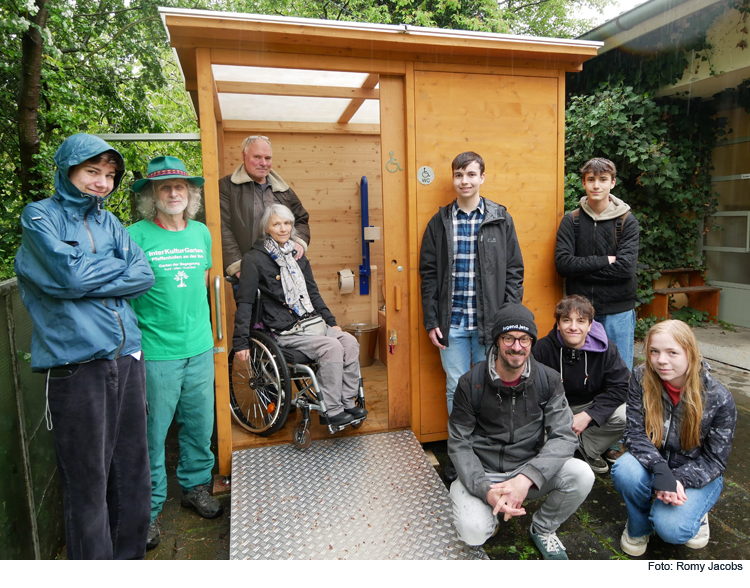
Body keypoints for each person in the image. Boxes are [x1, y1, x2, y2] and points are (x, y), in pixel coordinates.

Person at [13, 134, 155, 559]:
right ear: (67, 170)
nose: (102, 183)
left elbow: (144, 274)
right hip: (77, 365)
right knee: (88, 484)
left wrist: (82, 277)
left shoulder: (110, 223)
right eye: (92, 171)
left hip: (127, 357)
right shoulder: (40, 217)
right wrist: (110, 270)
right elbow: (68, 277)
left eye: (109, 175)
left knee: (133, 472)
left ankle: (130, 560)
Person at [128, 156, 223, 551]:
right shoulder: (134, 235)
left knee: (200, 426)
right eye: (164, 187)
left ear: (190, 194)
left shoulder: (201, 233)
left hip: (199, 347)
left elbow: (202, 283)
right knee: (151, 435)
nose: (173, 193)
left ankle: (196, 487)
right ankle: (146, 514)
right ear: (151, 195)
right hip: (157, 351)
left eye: (180, 187)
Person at [448, 304, 594, 560]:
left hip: (526, 469)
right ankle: (490, 514)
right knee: (473, 532)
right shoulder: (471, 383)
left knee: (581, 474)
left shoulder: (547, 380)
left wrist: (526, 478)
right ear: (497, 340)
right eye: (509, 338)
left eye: (524, 339)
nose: (517, 347)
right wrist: (485, 490)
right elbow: (459, 443)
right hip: (484, 473)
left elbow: (564, 436)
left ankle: (543, 528)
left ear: (531, 341)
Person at [419, 152, 524, 480]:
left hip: (489, 326)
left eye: (470, 174)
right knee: (456, 387)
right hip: (452, 324)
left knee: (490, 386)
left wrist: (507, 317)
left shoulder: (500, 218)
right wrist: (431, 319)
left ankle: (487, 452)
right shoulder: (439, 222)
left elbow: (514, 271)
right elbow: (428, 274)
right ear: (453, 178)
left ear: (482, 178)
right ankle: (460, 452)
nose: (464, 180)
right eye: (459, 174)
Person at [611, 320, 736, 556]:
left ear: (690, 353)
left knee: (673, 531)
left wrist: (677, 480)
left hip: (696, 471)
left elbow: (716, 460)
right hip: (653, 461)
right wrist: (660, 470)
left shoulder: (719, 398)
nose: (661, 360)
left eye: (672, 352)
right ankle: (638, 526)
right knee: (624, 470)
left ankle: (697, 511)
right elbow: (634, 432)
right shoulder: (641, 377)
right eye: (654, 351)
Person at [233, 204, 365, 426]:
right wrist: (240, 342)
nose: (283, 229)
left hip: (312, 323)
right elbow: (245, 302)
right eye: (276, 224)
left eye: (287, 223)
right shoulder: (254, 259)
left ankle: (346, 401)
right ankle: (331, 410)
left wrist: (332, 322)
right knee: (331, 347)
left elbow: (313, 294)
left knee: (350, 342)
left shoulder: (298, 256)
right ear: (267, 227)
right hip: (284, 330)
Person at [554, 158, 639, 372]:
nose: (596, 185)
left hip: (618, 312)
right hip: (580, 314)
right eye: (591, 179)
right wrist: (603, 261)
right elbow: (563, 265)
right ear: (583, 183)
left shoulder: (627, 221)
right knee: (585, 374)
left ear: (612, 183)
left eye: (603, 179)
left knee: (619, 373)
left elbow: (625, 269)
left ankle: (619, 407)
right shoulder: (571, 220)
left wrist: (580, 270)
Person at [532, 295, 630, 475]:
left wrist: (588, 415)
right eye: (567, 320)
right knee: (536, 448)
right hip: (553, 409)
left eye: (581, 321)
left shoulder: (606, 349)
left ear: (590, 325)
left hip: (590, 406)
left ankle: (586, 447)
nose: (573, 327)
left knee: (631, 413)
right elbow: (530, 391)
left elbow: (621, 386)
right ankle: (563, 450)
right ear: (558, 324)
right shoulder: (542, 349)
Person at [220, 135, 310, 277]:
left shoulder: (283, 190)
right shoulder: (227, 187)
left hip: (285, 270)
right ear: (244, 155)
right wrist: (237, 265)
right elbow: (222, 228)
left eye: (267, 158)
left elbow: (301, 219)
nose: (263, 163)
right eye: (257, 157)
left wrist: (299, 242)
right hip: (248, 270)